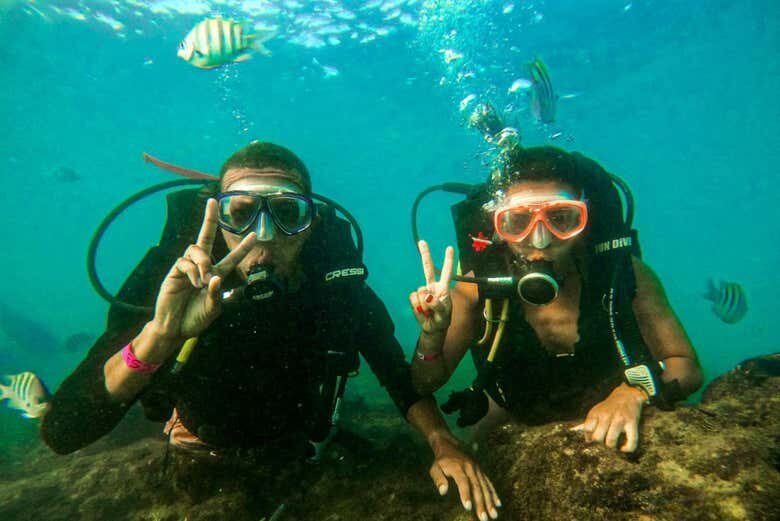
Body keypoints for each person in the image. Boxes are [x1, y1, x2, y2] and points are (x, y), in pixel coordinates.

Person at [41, 141, 500, 520]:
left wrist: (443, 443)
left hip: (306, 453)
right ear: (214, 219)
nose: (263, 234)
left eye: (287, 212)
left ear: (311, 222)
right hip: (199, 454)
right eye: (240, 214)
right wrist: (160, 335)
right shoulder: (171, 279)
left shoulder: (336, 287)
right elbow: (63, 431)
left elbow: (398, 379)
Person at [409, 145, 702, 453]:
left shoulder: (625, 277)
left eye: (561, 218)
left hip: (608, 411)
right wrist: (432, 334)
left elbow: (687, 366)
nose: (540, 239)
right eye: (518, 221)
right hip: (515, 413)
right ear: (498, 227)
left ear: (586, 223)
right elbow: (424, 384)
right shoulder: (475, 290)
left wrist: (633, 392)